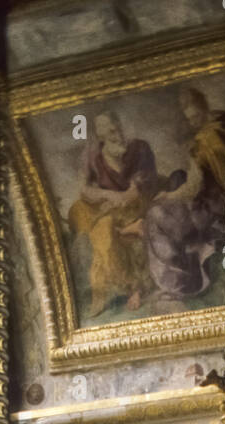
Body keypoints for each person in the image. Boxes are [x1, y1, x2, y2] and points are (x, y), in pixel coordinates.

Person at [142, 86, 225, 300]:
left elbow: (193, 187)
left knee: (156, 216)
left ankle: (178, 281)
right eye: (190, 119)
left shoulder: (203, 141)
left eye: (194, 118)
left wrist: (167, 197)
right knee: (177, 175)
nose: (193, 123)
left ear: (201, 110)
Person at [68, 112, 159, 316]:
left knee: (119, 228)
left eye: (116, 126)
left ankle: (137, 288)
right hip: (114, 210)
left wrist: (119, 199)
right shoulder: (93, 157)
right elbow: (84, 190)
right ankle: (127, 286)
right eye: (108, 130)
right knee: (102, 229)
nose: (114, 132)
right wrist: (107, 194)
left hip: (138, 205)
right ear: (100, 136)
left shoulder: (139, 149)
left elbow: (135, 193)